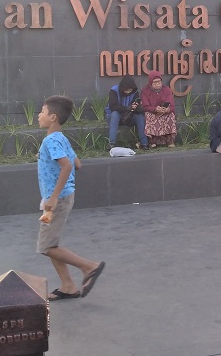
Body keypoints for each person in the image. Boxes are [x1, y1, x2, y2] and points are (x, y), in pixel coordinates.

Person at [36, 95, 105, 301]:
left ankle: (89, 267)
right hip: (63, 196)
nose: (39, 115)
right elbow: (77, 164)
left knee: (46, 247)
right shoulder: (62, 138)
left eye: (42, 111)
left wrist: (54, 197)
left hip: (56, 200)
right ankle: (68, 286)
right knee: (52, 244)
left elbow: (67, 165)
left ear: (53, 117)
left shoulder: (50, 140)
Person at [105, 75, 149, 149]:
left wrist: (136, 107)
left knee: (140, 117)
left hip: (129, 116)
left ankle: (144, 143)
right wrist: (127, 108)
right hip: (114, 117)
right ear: (122, 88)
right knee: (115, 114)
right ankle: (111, 143)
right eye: (126, 90)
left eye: (130, 90)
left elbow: (139, 109)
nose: (128, 92)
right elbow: (113, 107)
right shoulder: (114, 90)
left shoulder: (134, 92)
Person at [140, 71, 177, 148]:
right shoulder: (145, 91)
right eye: (155, 82)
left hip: (164, 112)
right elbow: (145, 106)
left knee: (170, 115)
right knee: (149, 116)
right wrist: (155, 109)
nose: (157, 84)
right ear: (150, 83)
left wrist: (167, 109)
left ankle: (169, 141)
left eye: (159, 82)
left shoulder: (166, 89)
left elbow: (172, 106)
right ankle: (152, 141)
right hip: (152, 112)